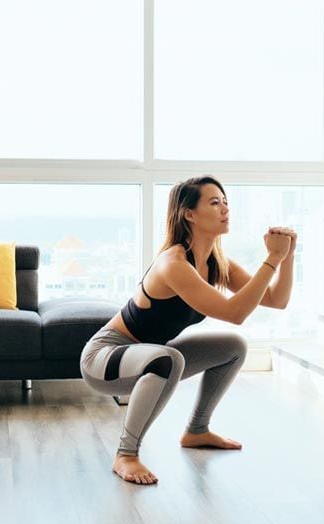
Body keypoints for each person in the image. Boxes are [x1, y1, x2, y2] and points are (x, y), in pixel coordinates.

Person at [80, 175, 297, 485]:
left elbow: (276, 300)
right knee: (169, 359)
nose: (225, 208)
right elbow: (235, 312)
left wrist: (287, 258)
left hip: (153, 357)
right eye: (214, 202)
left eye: (225, 202)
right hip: (104, 358)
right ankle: (126, 455)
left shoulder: (217, 263)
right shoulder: (173, 262)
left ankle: (197, 430)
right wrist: (272, 258)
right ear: (189, 214)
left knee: (233, 347)